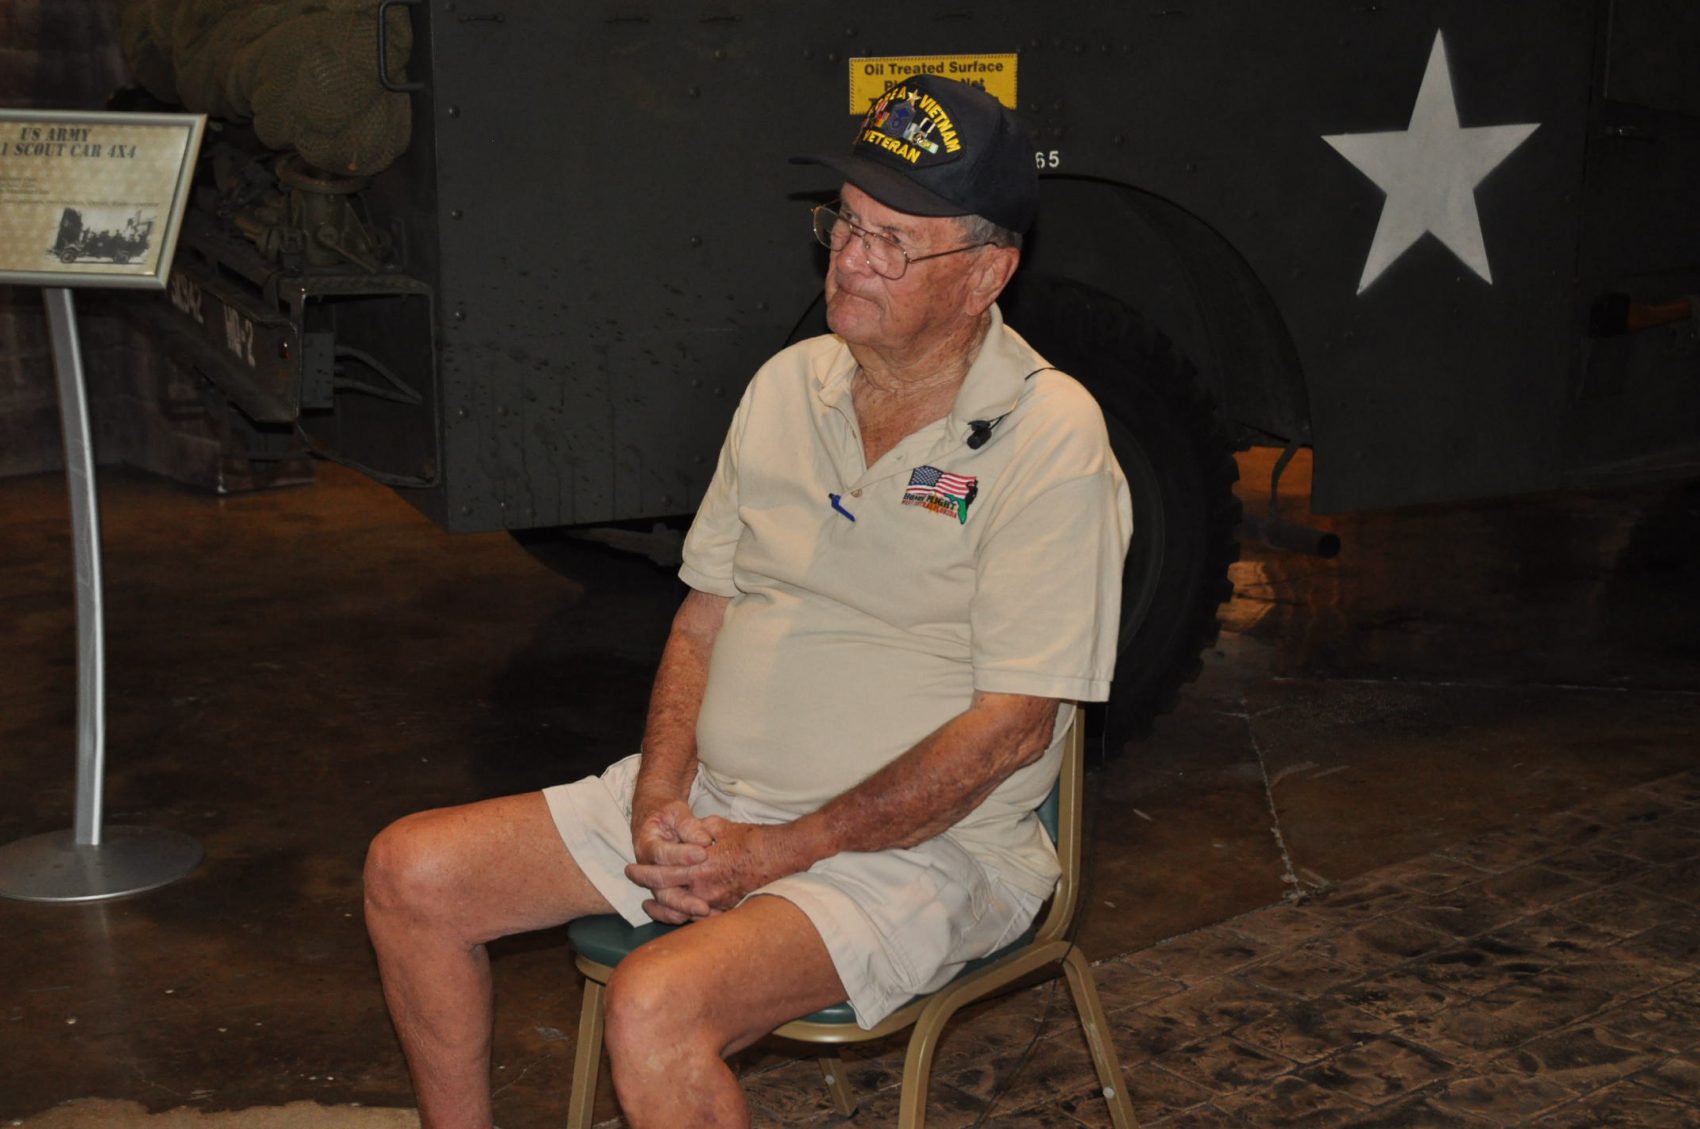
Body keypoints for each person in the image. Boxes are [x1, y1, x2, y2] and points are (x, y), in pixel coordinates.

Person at [363, 74, 1132, 1129]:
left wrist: (777, 852)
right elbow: (703, 618)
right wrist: (658, 802)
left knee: (654, 1001)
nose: (850, 259)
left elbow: (1012, 730)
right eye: (846, 224)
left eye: (893, 243)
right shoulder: (788, 386)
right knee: (409, 872)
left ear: (985, 274)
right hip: (720, 805)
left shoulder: (1051, 436)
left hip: (928, 853)